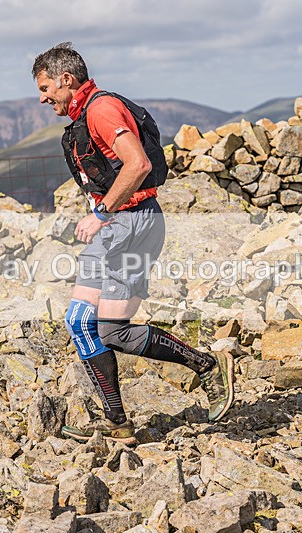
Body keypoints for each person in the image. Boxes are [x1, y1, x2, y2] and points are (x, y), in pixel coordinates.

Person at [32, 42, 235, 445]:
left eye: (45, 88)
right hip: (115, 228)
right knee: (80, 323)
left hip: (134, 224)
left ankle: (207, 365)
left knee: (112, 332)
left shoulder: (103, 110)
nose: (42, 98)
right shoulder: (82, 116)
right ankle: (117, 425)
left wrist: (102, 211)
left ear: (66, 80)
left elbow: (138, 164)